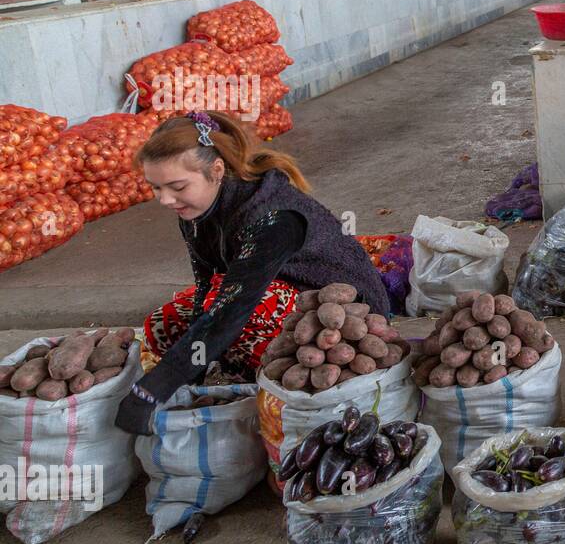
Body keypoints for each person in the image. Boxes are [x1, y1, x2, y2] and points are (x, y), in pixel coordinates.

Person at [114, 112, 388, 437]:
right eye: (156, 188)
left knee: (244, 313)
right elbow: (206, 285)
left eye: (176, 187)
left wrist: (151, 390)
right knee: (165, 325)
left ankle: (273, 380)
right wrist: (191, 375)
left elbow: (233, 308)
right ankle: (240, 371)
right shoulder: (196, 210)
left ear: (216, 170)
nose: (165, 200)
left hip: (346, 318)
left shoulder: (272, 217)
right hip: (271, 297)